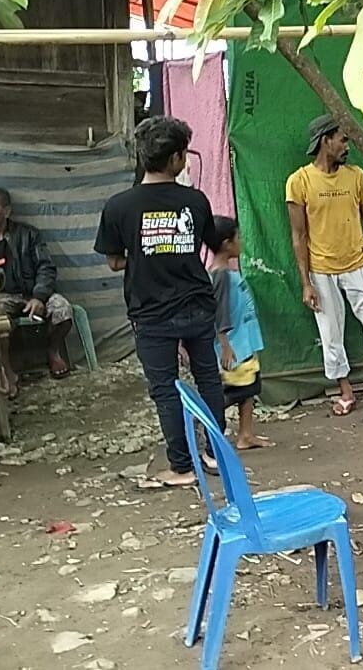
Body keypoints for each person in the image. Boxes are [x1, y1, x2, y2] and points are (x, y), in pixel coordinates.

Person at [94, 116, 225, 489]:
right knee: (208, 377)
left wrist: (143, 254)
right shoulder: (195, 201)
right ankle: (215, 455)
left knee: (165, 387)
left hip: (151, 312)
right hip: (198, 305)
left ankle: (182, 467)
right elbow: (208, 243)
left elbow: (114, 260)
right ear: (176, 159)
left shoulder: (119, 206)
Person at [287, 114, 363, 419]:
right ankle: (345, 391)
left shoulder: (357, 176)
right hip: (321, 271)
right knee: (331, 332)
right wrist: (306, 282)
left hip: (359, 264)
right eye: (343, 139)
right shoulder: (299, 182)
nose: (347, 145)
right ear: (326, 141)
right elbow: (298, 236)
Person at [0, 186, 73, 391]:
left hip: (32, 292)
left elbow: (46, 267)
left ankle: (52, 352)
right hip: (0, 296)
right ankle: (6, 369)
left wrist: (38, 297)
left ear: (7, 211)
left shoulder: (28, 235)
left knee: (63, 309)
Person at [208, 216, 273, 451]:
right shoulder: (221, 276)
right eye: (238, 237)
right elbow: (219, 312)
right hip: (233, 346)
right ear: (227, 243)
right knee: (234, 391)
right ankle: (202, 425)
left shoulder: (226, 272)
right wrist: (225, 344)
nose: (241, 241)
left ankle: (246, 435)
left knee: (250, 389)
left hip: (243, 342)